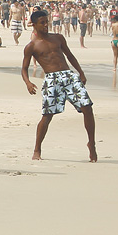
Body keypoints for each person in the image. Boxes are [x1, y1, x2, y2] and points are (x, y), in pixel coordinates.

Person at [21, 9, 97, 161]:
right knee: (47, 115)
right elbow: (23, 68)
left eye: (46, 22)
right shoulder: (32, 46)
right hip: (52, 80)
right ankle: (37, 149)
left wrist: (80, 73)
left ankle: (92, 143)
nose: (45, 25)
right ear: (34, 24)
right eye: (42, 23)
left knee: (87, 107)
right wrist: (28, 83)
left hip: (68, 76)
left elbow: (70, 56)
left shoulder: (58, 38)